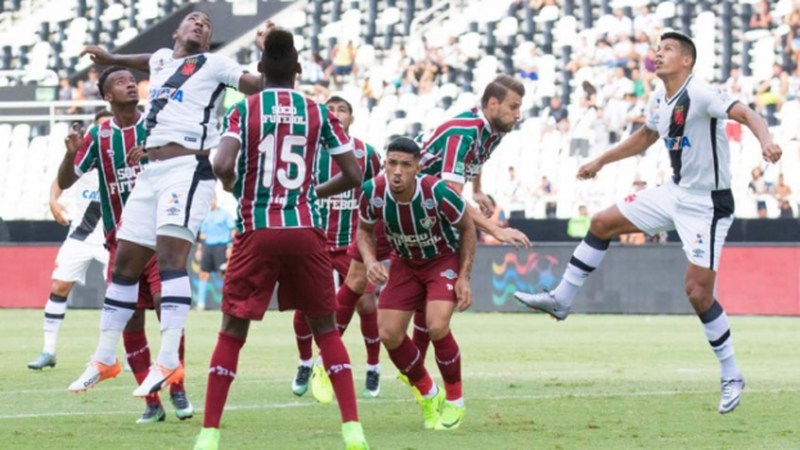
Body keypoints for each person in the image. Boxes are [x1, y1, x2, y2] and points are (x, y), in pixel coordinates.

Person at [515, 32, 782, 414]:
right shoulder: (660, 99)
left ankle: (731, 373)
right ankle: (561, 299)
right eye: (657, 49)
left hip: (707, 204)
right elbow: (644, 138)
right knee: (602, 222)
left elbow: (747, 113)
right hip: (674, 192)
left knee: (698, 293)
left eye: (668, 49)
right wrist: (600, 162)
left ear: (687, 60)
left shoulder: (702, 94)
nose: (658, 54)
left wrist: (766, 140)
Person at [69, 11, 266, 397]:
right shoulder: (161, 59)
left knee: (170, 258)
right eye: (193, 20)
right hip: (151, 170)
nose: (200, 24)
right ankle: (105, 357)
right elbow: (148, 60)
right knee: (125, 262)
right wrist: (111, 58)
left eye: (206, 24)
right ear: (177, 31)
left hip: (187, 169)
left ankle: (169, 358)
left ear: (208, 41)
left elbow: (256, 84)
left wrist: (270, 56)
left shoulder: (215, 64)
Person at [194, 28, 368, 450]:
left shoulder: (245, 109)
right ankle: (352, 430)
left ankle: (209, 434)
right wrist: (312, 192)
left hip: (259, 229)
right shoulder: (317, 112)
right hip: (306, 229)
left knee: (232, 331)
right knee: (325, 329)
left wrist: (237, 184)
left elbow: (220, 164)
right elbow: (354, 174)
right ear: (298, 69)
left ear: (259, 70)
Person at [340, 76, 530, 386]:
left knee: (429, 299)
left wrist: (479, 190)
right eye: (513, 106)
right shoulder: (462, 134)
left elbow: (475, 162)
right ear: (492, 104)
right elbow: (453, 197)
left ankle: (416, 367)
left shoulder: (492, 130)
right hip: (398, 204)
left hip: (425, 211)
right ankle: (325, 359)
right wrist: (496, 229)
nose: (517, 114)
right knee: (359, 277)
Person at [58, 67, 194, 423]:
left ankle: (177, 388)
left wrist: (155, 154)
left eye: (132, 79)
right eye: (120, 81)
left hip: (161, 238)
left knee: (167, 307)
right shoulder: (99, 135)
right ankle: (151, 401)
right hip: (121, 241)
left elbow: (186, 158)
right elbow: (67, 179)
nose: (130, 83)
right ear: (107, 96)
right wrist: (68, 155)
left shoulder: (157, 122)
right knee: (131, 319)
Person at [357, 137, 476, 430]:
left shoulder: (436, 192)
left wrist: (464, 277)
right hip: (405, 263)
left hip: (441, 261)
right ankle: (428, 392)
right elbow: (363, 230)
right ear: (384, 163)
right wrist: (371, 261)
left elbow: (468, 228)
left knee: (437, 326)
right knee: (388, 333)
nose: (397, 171)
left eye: (405, 165)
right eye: (391, 163)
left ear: (418, 167)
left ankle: (455, 401)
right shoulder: (373, 191)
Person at [291, 95, 383, 402]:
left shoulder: (366, 154)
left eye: (342, 109)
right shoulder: (306, 151)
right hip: (315, 241)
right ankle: (305, 362)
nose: (335, 113)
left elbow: (376, 195)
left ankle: (373, 367)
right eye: (329, 109)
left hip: (351, 245)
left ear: (351, 119)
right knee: (305, 306)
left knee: (367, 304)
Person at [27, 112, 110, 372]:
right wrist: (53, 201)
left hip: (114, 239)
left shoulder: (123, 159)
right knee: (59, 286)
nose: (104, 131)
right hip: (81, 236)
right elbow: (58, 182)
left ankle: (120, 355)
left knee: (120, 296)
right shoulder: (83, 160)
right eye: (100, 127)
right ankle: (48, 351)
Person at [196, 196, 236, 310]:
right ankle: (200, 304)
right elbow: (202, 234)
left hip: (221, 246)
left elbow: (233, 230)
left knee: (225, 275)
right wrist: (199, 249)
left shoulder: (225, 214)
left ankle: (227, 303)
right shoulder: (205, 215)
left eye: (212, 199)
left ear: (216, 200)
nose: (210, 202)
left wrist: (230, 246)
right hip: (208, 247)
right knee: (203, 274)